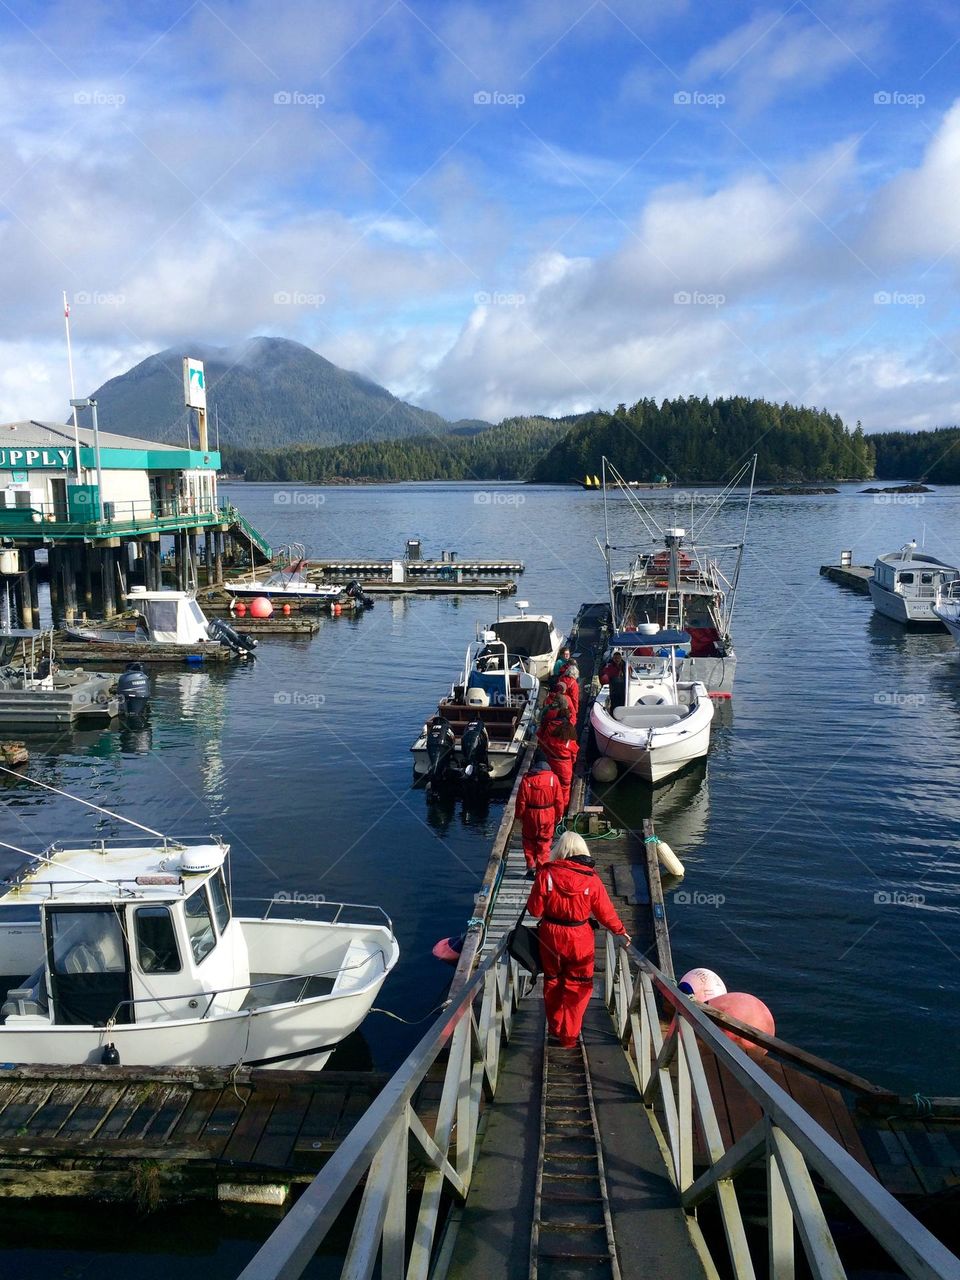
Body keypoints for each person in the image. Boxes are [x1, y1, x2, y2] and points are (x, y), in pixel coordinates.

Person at [526, 832, 630, 1047]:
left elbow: (535, 911)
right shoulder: (591, 879)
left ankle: (555, 1029)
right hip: (579, 938)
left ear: (560, 849)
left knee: (553, 982)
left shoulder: (546, 874)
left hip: (550, 937)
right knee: (578, 986)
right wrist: (619, 930)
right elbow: (605, 912)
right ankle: (569, 1036)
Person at [514, 753, 565, 875]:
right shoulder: (553, 779)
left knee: (528, 840)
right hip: (548, 815)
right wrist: (559, 815)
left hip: (530, 815)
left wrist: (519, 815)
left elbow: (521, 801)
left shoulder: (527, 779)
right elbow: (559, 800)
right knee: (545, 842)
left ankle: (530, 865)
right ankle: (541, 869)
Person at [536, 712, 579, 811]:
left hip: (552, 763)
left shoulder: (552, 740)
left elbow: (545, 747)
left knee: (552, 786)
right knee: (565, 788)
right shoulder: (570, 743)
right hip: (565, 766)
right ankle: (562, 809)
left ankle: (551, 805)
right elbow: (574, 756)